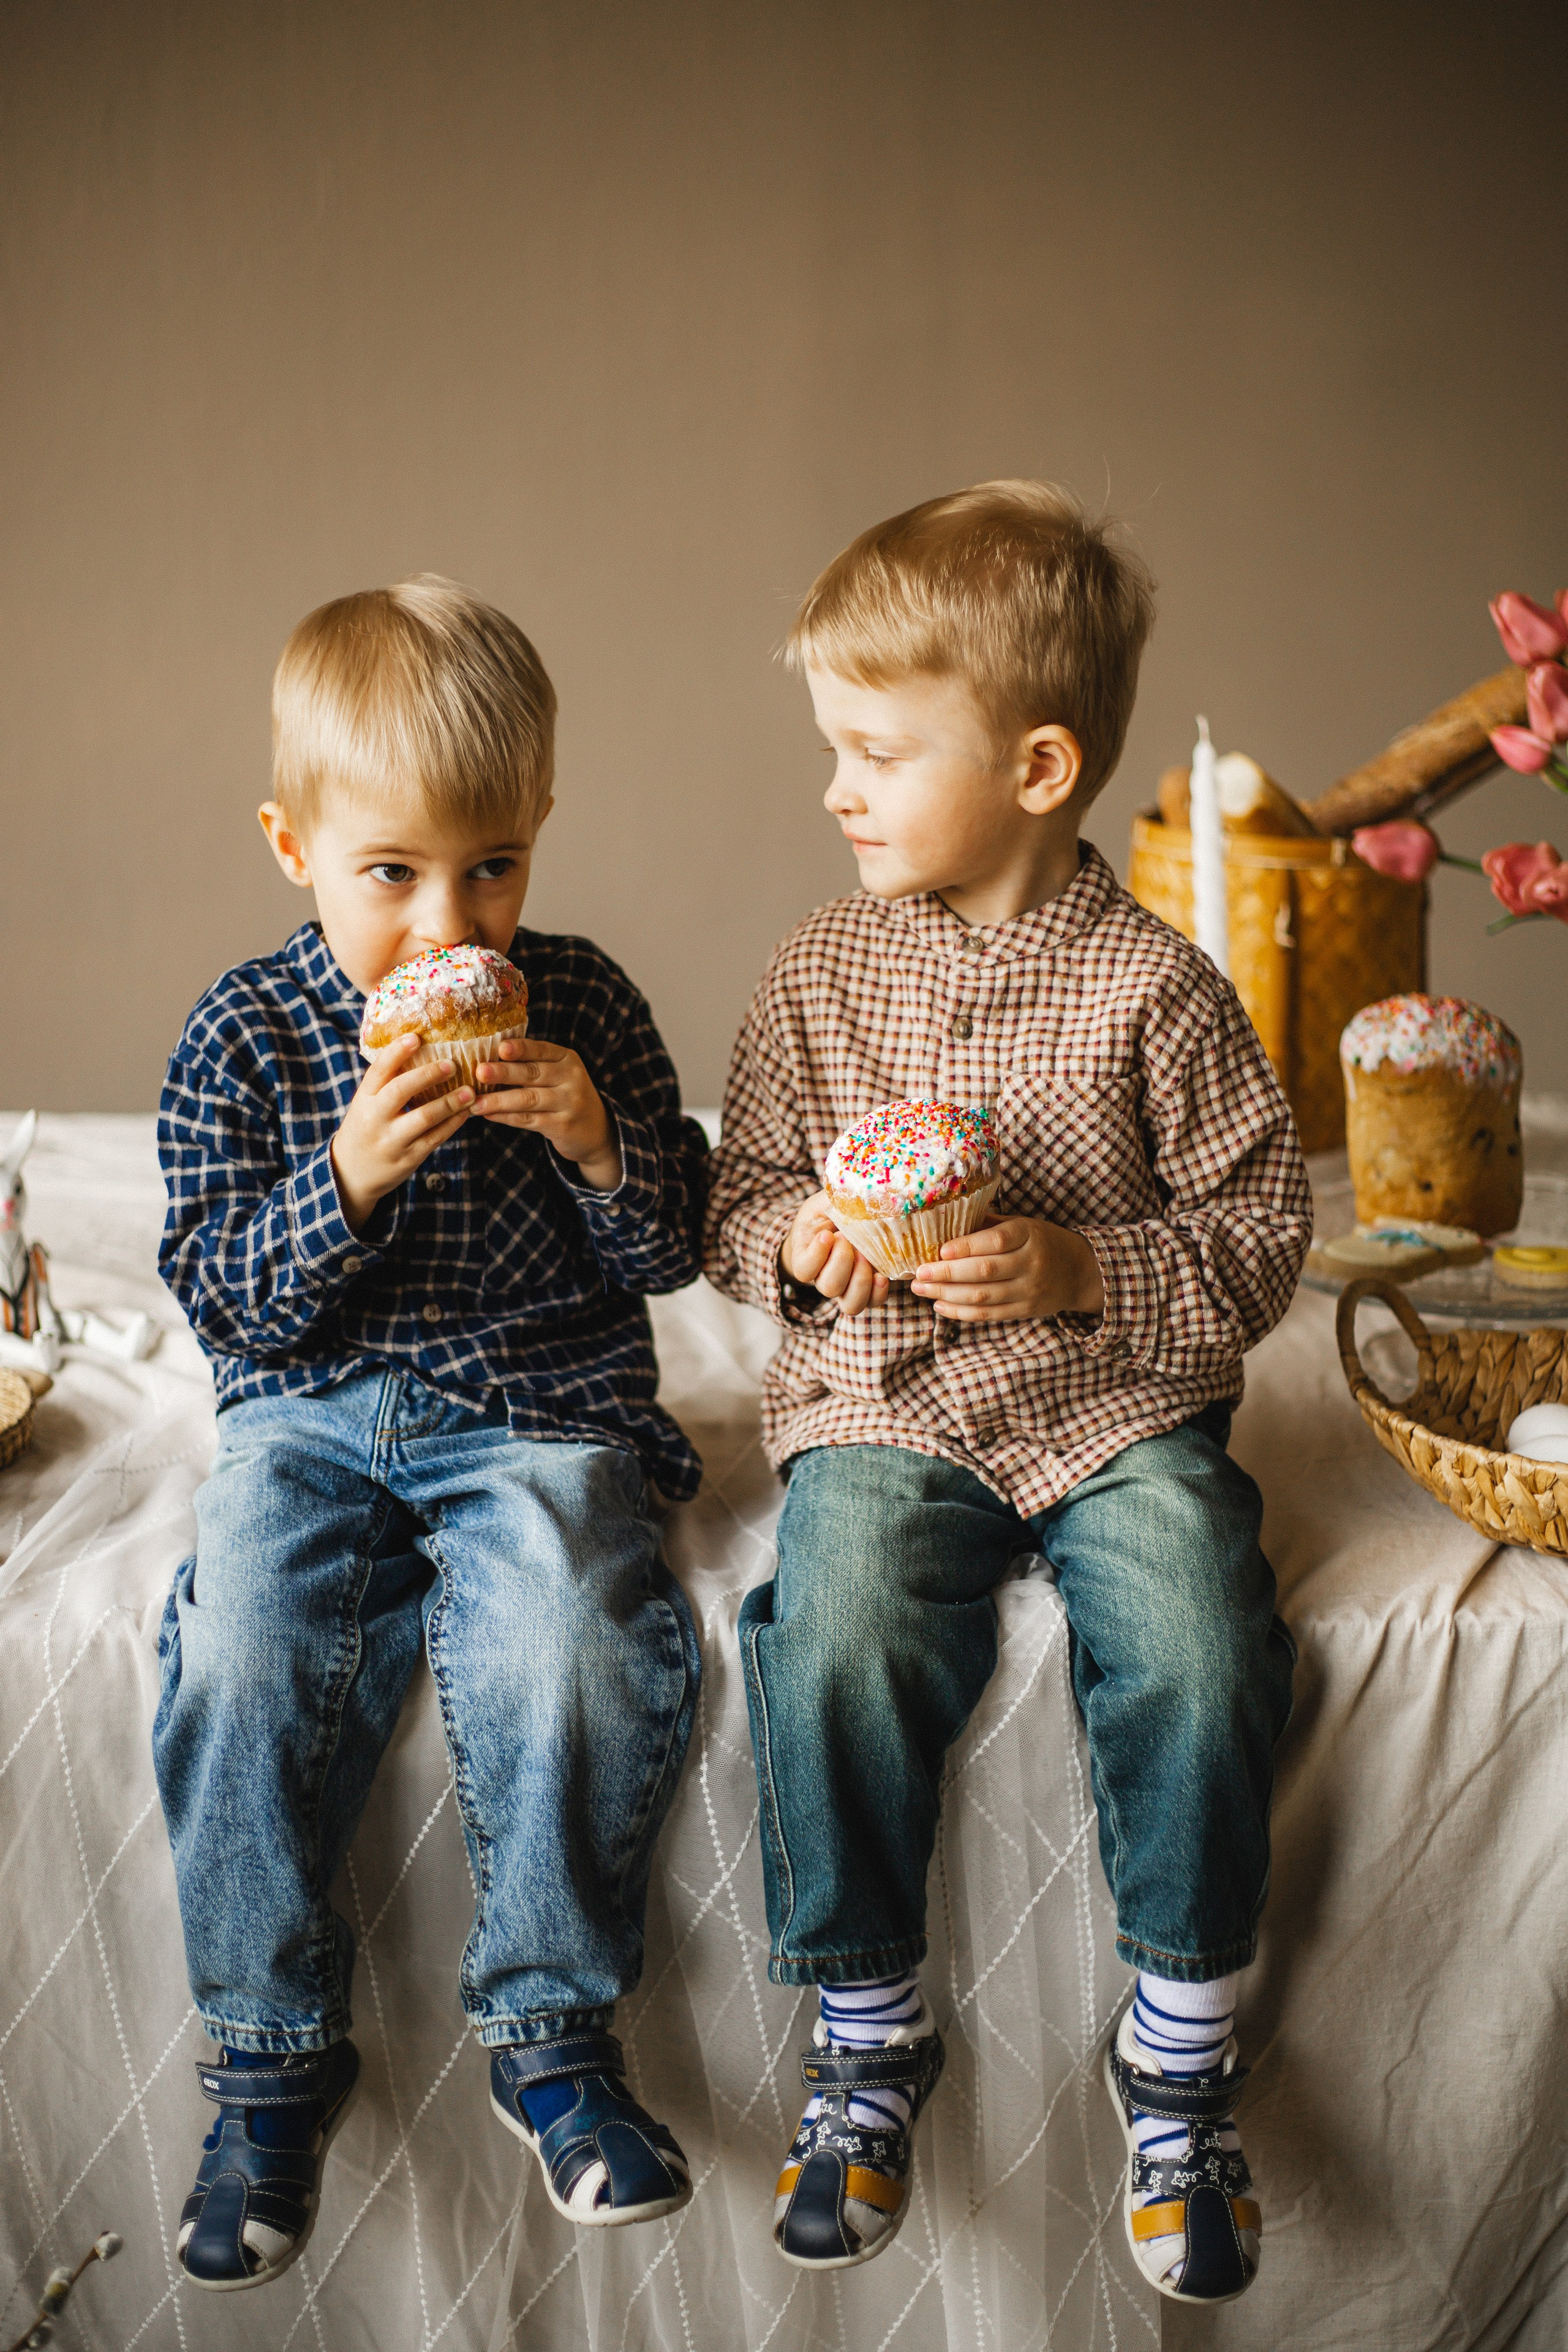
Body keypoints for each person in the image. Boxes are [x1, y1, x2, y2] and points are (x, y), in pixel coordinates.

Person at [704, 483, 1310, 2304]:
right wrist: (798, 1240)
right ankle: (869, 2032)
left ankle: (1181, 2060)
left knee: (1203, 1623)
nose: (838, 789)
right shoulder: (818, 976)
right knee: (835, 1624)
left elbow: (1264, 1230)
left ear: (1040, 768)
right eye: (835, 748)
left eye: (880, 752)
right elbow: (727, 1209)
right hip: (888, 1399)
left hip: (1110, 1407)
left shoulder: (1160, 993)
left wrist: (1084, 1267)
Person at [154, 576, 707, 2291]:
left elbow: (678, 1249)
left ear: (536, 839)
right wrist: (343, 1181)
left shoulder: (584, 1005)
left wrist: (605, 1145)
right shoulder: (248, 1036)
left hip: (535, 1408)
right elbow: (220, 1294)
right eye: (390, 873)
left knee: (570, 1646)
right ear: (293, 842)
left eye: (492, 869)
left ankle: (553, 2035)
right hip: (308, 1417)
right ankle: (267, 2056)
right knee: (241, 1651)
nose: (446, 922)